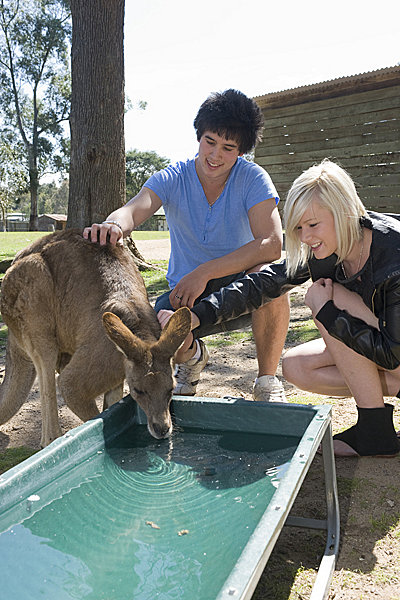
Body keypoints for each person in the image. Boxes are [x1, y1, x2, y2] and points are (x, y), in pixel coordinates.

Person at [159, 159, 400, 458]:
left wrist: (326, 312)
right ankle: (379, 429)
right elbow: (263, 284)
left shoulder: (393, 253)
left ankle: (373, 429)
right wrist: (196, 316)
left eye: (312, 225)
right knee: (297, 366)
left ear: (343, 212)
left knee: (331, 298)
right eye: (298, 227)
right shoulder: (324, 247)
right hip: (389, 348)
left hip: (394, 349)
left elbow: (392, 353)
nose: (305, 236)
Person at [84, 89, 290, 402]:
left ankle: (266, 383)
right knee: (160, 334)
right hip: (185, 295)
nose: (215, 155)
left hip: (239, 286)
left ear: (241, 152)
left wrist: (205, 272)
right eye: (210, 141)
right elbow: (134, 209)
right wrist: (114, 224)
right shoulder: (173, 176)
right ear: (199, 136)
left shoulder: (253, 179)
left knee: (272, 281)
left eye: (228, 147)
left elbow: (272, 243)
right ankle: (193, 359)